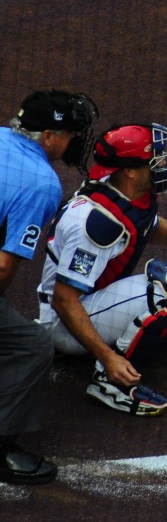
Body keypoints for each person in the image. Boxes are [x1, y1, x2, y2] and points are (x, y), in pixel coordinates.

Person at [37, 122, 167, 417]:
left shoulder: (122, 193)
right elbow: (64, 299)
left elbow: (145, 226)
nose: (162, 164)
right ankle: (109, 384)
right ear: (130, 169)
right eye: (153, 160)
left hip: (89, 300)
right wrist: (107, 358)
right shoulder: (97, 224)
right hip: (64, 321)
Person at [1, 89, 99, 484]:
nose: (75, 140)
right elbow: (5, 264)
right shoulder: (41, 183)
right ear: (48, 137)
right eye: (72, 133)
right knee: (30, 345)